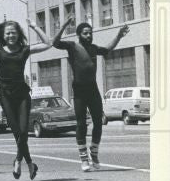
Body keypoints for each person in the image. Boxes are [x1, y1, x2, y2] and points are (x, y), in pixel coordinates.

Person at [0, 18, 52, 181]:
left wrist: (35, 27)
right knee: (17, 133)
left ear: (18, 33)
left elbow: (47, 43)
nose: (11, 35)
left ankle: (18, 160)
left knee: (23, 131)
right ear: (3, 34)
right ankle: (30, 164)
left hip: (22, 94)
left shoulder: (24, 49)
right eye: (7, 33)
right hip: (6, 95)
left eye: (14, 32)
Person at [52, 16, 130, 171]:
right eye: (85, 33)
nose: (89, 35)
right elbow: (55, 43)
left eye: (90, 33)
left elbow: (107, 49)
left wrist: (119, 36)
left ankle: (94, 154)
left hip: (93, 91)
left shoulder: (94, 48)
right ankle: (84, 159)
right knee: (81, 125)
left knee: (98, 123)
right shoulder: (72, 46)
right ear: (79, 34)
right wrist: (64, 26)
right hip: (79, 92)